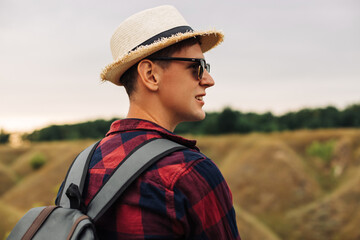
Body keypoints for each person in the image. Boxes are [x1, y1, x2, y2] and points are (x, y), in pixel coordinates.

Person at [71, 5, 240, 239]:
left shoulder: (82, 169)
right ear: (151, 75)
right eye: (196, 67)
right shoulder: (189, 172)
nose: (209, 80)